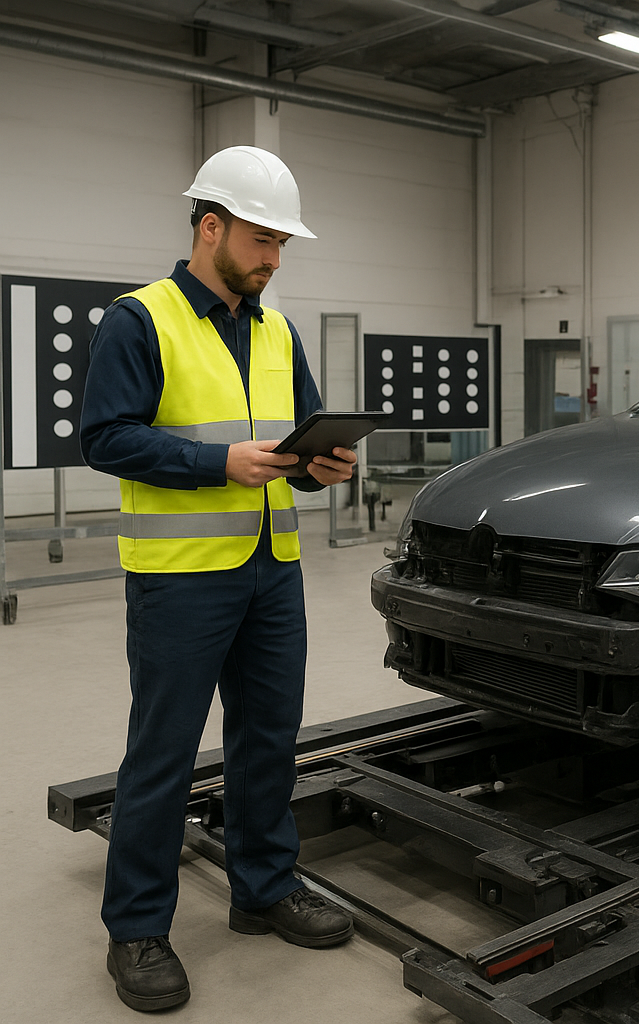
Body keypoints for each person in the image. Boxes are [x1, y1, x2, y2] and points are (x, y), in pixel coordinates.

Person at [81, 146, 359, 1012]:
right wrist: (213, 463)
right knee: (162, 755)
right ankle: (136, 930)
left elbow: (293, 443)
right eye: (264, 239)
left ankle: (264, 890)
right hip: (181, 576)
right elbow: (105, 437)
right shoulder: (141, 320)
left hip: (272, 569)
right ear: (212, 227)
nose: (275, 258)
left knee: (268, 740)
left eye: (283, 243)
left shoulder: (278, 328)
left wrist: (321, 465)